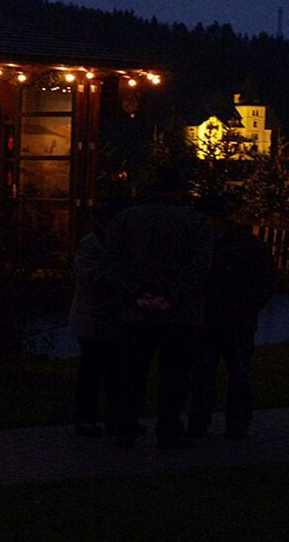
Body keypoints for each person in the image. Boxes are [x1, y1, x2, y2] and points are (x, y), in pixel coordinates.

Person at [101, 168, 213, 449]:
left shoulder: (124, 220)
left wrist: (136, 294)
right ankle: (169, 428)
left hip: (134, 313)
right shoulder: (197, 223)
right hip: (180, 316)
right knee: (175, 375)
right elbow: (199, 269)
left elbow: (112, 263)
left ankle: (125, 427)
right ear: (180, 192)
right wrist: (171, 297)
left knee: (131, 373)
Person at [187, 194, 277, 440]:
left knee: (237, 375)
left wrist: (246, 308)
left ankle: (236, 424)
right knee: (203, 376)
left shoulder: (245, 245)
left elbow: (265, 281)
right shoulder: (200, 244)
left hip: (235, 321)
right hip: (208, 321)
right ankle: (200, 423)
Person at [69, 200, 128, 438]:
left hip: (109, 317)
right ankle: (89, 418)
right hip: (94, 317)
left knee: (113, 371)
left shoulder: (103, 245)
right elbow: (90, 279)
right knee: (93, 370)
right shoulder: (91, 245)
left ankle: (113, 417)